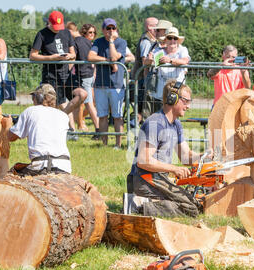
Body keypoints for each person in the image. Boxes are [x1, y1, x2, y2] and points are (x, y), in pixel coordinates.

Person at [128, 79, 204, 217]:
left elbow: (186, 157)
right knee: (191, 209)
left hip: (159, 178)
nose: (188, 106)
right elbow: (143, 161)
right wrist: (174, 169)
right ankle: (139, 206)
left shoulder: (176, 124)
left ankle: (154, 202)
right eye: (186, 101)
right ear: (173, 99)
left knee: (196, 203)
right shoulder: (155, 123)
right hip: (145, 180)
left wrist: (205, 156)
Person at [29, 11, 87, 138]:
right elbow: (32, 55)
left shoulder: (66, 33)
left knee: (82, 94)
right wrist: (51, 58)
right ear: (49, 23)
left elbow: (73, 53)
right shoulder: (41, 34)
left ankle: (62, 121)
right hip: (50, 76)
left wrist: (70, 56)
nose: (57, 30)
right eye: (55, 26)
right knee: (55, 105)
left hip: (66, 75)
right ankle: (65, 131)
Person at [3, 84, 78, 176]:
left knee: (10, 177)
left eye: (33, 97)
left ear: (39, 97)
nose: (33, 100)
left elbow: (11, 137)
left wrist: (8, 125)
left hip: (41, 166)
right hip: (64, 167)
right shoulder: (63, 116)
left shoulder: (30, 111)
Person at [87, 18, 127, 149]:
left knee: (117, 116)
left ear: (116, 30)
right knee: (102, 116)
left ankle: (118, 144)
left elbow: (115, 57)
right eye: (108, 28)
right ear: (103, 30)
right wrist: (106, 60)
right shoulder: (98, 41)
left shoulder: (121, 42)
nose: (111, 31)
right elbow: (91, 57)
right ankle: (104, 144)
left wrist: (111, 42)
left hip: (116, 85)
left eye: (113, 28)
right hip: (100, 85)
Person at [144, 27, 190, 114]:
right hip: (161, 91)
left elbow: (185, 61)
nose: (172, 40)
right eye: (170, 38)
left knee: (175, 115)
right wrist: (149, 60)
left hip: (177, 89)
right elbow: (146, 62)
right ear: (165, 40)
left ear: (178, 40)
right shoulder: (158, 51)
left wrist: (170, 60)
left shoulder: (182, 50)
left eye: (175, 38)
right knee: (159, 115)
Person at [66, 22, 100, 135]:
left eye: (93, 33)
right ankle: (86, 126)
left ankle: (99, 130)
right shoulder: (90, 43)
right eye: (90, 32)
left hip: (84, 75)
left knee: (89, 104)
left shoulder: (77, 42)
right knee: (86, 103)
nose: (92, 34)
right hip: (89, 75)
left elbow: (73, 57)